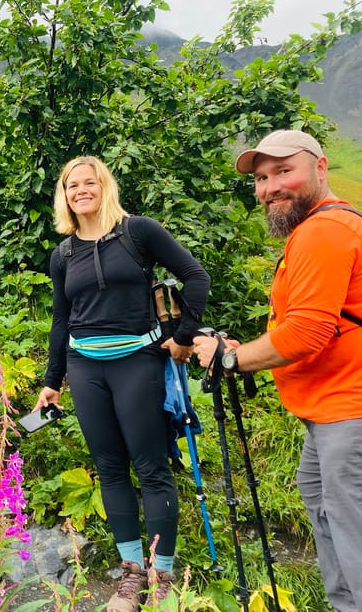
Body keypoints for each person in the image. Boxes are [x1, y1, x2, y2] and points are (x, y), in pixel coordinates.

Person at [193, 130, 362, 612]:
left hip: (347, 412)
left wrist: (229, 358)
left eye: (284, 171)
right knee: (325, 509)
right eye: (262, 179)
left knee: (353, 534)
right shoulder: (323, 228)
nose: (270, 188)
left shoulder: (323, 231)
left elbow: (305, 334)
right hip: (327, 412)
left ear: (321, 167)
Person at [34, 156, 210, 612]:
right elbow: (61, 319)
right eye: (72, 186)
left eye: (88, 183)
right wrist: (52, 380)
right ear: (65, 195)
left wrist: (184, 337)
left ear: (103, 186)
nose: (80, 191)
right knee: (109, 469)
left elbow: (196, 277)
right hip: (86, 369)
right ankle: (132, 576)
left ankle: (163, 573)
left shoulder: (138, 232)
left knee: (151, 467)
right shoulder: (63, 253)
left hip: (138, 362)